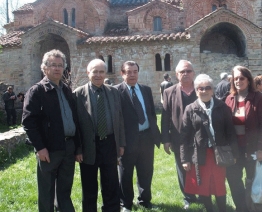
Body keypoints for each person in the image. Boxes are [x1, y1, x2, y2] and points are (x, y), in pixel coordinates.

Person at [22, 49, 81, 212]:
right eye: (53, 65)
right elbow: (28, 121)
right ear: (44, 67)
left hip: (68, 148)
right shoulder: (37, 91)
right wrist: (40, 147)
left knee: (64, 189)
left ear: (64, 68)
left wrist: (77, 147)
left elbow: (74, 119)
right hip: (49, 149)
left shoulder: (67, 90)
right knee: (47, 191)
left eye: (60, 65)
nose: (57, 68)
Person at [73, 58, 126, 212]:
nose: (98, 75)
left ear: (105, 73)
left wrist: (121, 143)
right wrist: (78, 149)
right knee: (89, 186)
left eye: (101, 71)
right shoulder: (78, 94)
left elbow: (120, 119)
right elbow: (75, 125)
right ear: (88, 73)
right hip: (88, 145)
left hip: (109, 143)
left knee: (111, 183)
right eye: (94, 71)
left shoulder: (113, 92)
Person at [180, 74, 238, 212]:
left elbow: (230, 131)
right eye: (201, 88)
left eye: (208, 88)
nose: (204, 91)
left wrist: (235, 153)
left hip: (219, 153)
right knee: (203, 186)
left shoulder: (222, 107)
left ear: (212, 90)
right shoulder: (190, 109)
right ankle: (209, 209)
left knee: (219, 185)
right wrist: (185, 159)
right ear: (196, 90)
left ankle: (222, 209)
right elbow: (184, 136)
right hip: (200, 153)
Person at [225, 66, 262, 212]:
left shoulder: (258, 98)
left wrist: (261, 149)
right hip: (234, 150)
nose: (238, 81)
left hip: (253, 148)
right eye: (235, 78)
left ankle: (255, 207)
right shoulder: (229, 99)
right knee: (233, 179)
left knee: (253, 181)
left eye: (241, 78)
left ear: (248, 79)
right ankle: (242, 208)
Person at [115, 61, 161, 211]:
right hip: (127, 141)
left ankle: (145, 201)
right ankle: (126, 204)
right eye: (128, 72)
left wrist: (156, 134)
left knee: (146, 171)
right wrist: (119, 143)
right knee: (125, 174)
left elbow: (152, 114)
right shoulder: (116, 92)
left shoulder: (146, 90)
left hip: (146, 138)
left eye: (135, 71)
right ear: (122, 74)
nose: (132, 75)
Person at [161, 60, 198, 209]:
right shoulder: (169, 92)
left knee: (199, 165)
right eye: (182, 72)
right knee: (182, 167)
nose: (185, 74)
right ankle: (188, 197)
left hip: (199, 137)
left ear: (193, 73)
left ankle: (202, 194)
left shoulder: (201, 89)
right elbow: (165, 117)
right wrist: (166, 139)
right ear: (176, 75)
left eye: (188, 71)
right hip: (178, 137)